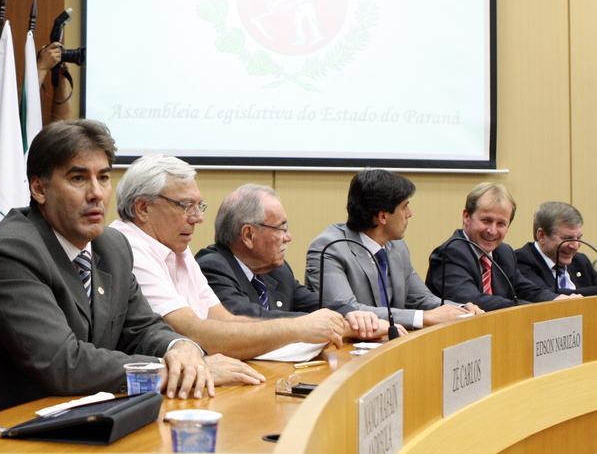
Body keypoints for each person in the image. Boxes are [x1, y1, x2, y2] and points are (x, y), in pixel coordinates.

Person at [0, 120, 211, 417]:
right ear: (39, 189)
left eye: (103, 177)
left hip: (78, 416)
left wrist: (180, 348)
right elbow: (62, 363)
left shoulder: (113, 247)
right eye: (78, 178)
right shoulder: (8, 253)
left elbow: (142, 328)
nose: (96, 193)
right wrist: (167, 369)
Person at [110, 156, 385, 367]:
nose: (198, 218)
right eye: (185, 206)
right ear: (143, 208)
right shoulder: (128, 247)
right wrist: (299, 328)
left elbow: (224, 320)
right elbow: (193, 333)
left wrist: (323, 324)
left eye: (199, 206)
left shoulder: (177, 248)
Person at [195, 183, 403, 337]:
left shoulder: (277, 270)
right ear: (248, 235)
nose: (288, 237)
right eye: (281, 228)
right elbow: (247, 319)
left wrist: (353, 315)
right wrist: (334, 326)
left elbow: (316, 304)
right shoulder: (212, 267)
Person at [306, 169, 482, 331]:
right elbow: (347, 310)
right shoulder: (329, 248)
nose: (410, 213)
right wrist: (423, 317)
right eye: (404, 207)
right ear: (383, 216)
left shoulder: (397, 246)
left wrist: (461, 310)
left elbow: (421, 299)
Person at [426, 183, 572, 311]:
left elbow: (524, 289)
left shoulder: (504, 252)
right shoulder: (450, 253)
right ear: (466, 217)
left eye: (501, 223)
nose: (492, 231)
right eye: (486, 220)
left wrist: (555, 300)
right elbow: (473, 300)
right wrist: (527, 308)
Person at [515, 201, 597, 296]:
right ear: (541, 236)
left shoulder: (580, 261)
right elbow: (546, 295)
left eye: (578, 238)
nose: (575, 246)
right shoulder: (521, 260)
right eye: (567, 238)